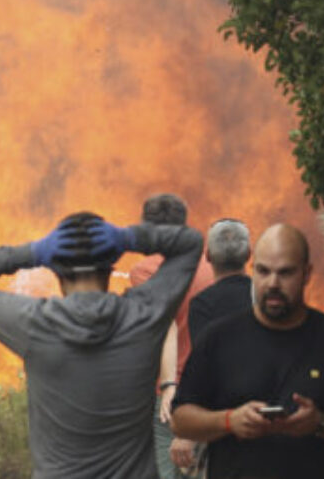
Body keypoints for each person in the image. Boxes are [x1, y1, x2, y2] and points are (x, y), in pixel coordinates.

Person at [0, 206, 204, 478]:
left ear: (58, 273)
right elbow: (190, 243)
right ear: (109, 269)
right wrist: (126, 239)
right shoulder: (143, 317)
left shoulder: (36, 325)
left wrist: (35, 251)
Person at [171, 224, 324, 479]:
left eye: (285, 273)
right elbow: (181, 419)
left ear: (307, 274)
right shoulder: (218, 338)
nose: (273, 283)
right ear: (252, 270)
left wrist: (320, 423)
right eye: (263, 271)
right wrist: (229, 421)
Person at [127, 194, 214, 479]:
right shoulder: (210, 267)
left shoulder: (146, 270)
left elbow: (161, 326)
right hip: (208, 389)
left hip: (168, 394)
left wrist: (168, 385)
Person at [170, 218, 254, 475]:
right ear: (249, 255)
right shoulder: (267, 297)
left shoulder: (204, 305)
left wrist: (189, 430)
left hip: (225, 424)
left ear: (207, 256)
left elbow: (205, 369)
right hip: (271, 416)